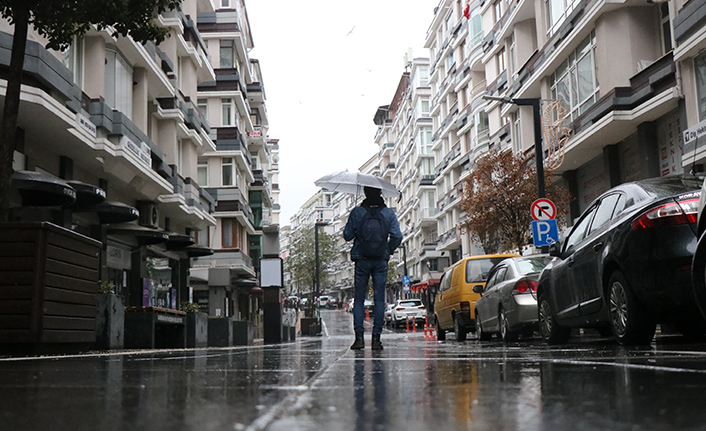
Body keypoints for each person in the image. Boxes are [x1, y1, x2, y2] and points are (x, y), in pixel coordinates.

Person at [343, 186, 402, 350]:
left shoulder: (357, 212)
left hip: (361, 260)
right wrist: (387, 250)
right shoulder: (389, 214)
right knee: (379, 300)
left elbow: (347, 235)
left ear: (365, 193)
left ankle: (359, 339)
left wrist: (355, 226)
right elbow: (397, 236)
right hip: (380, 261)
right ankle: (376, 339)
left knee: (359, 300)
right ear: (380, 193)